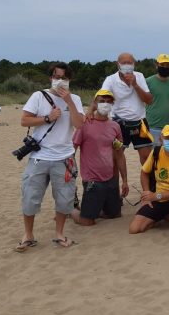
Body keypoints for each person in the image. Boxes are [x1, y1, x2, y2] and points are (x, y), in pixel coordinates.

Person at [15, 62, 85, 251]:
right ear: (50, 78)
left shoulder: (75, 99)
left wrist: (69, 101)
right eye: (56, 77)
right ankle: (28, 235)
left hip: (65, 157)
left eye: (64, 77)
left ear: (69, 80)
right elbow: (24, 120)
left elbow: (80, 125)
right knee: (30, 196)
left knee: (64, 198)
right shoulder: (38, 96)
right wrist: (47, 118)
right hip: (40, 156)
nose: (60, 81)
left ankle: (59, 234)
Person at [71, 89, 128, 226]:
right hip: (92, 179)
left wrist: (124, 180)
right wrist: (69, 173)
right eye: (102, 101)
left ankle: (97, 207)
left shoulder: (115, 126)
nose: (105, 104)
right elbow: (72, 149)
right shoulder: (85, 124)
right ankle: (70, 210)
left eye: (109, 101)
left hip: (110, 178)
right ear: (95, 103)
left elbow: (119, 154)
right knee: (87, 221)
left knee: (115, 215)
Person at [129, 124, 169, 235]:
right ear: (161, 138)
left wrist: (157, 196)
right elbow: (144, 172)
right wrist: (146, 193)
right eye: (168, 138)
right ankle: (162, 215)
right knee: (135, 229)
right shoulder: (156, 152)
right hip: (159, 196)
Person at [101, 53, 153, 165]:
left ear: (134, 64)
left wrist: (135, 84)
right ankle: (118, 183)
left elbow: (149, 100)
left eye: (129, 62)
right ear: (118, 64)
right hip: (119, 123)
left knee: (147, 158)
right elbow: (101, 96)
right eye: (123, 63)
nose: (127, 65)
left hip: (140, 122)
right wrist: (91, 110)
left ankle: (148, 183)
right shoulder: (110, 80)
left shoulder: (139, 76)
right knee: (115, 158)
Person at [145, 53, 169, 144]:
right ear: (157, 65)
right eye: (162, 65)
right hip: (152, 125)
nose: (165, 67)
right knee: (152, 155)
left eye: (167, 65)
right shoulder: (148, 82)